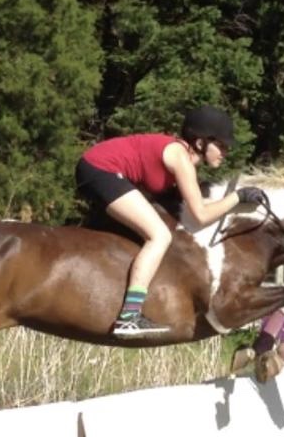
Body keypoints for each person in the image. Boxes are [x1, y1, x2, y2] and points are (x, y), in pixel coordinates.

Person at [75, 106, 266, 338]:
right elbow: (202, 216)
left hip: (98, 168)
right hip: (100, 169)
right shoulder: (181, 159)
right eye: (221, 145)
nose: (225, 152)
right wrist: (238, 197)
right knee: (159, 236)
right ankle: (128, 317)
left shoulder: (181, 158)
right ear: (200, 143)